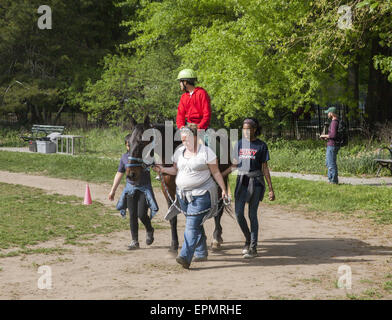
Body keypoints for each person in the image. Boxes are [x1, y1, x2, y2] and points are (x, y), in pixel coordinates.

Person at [153, 126, 228, 269]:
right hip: (183, 195)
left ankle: (185, 256)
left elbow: (216, 173)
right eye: (181, 139)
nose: (183, 141)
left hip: (202, 194)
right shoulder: (179, 152)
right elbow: (175, 170)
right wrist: (162, 169)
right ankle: (201, 252)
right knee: (194, 223)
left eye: (185, 138)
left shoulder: (207, 152)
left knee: (191, 225)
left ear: (195, 137)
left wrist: (223, 189)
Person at [222, 118, 275, 259]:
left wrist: (270, 188)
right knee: (239, 214)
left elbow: (265, 167)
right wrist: (220, 175)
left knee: (252, 214)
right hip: (242, 181)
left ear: (254, 129)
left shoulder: (261, 146)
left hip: (256, 182)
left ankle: (253, 247)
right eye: (243, 129)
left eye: (248, 129)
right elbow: (234, 164)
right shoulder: (239, 144)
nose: (245, 132)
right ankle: (247, 239)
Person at [108, 134, 157, 250]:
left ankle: (149, 229)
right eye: (128, 145)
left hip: (143, 189)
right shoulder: (124, 157)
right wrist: (113, 190)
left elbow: (154, 166)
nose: (130, 147)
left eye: (132, 144)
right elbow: (119, 173)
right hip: (130, 189)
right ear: (126, 146)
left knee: (141, 214)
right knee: (132, 215)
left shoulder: (144, 156)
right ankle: (134, 241)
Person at [320, 107, 340, 184]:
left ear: (331, 113)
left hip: (332, 145)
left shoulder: (334, 122)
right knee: (328, 162)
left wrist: (324, 136)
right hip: (331, 144)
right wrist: (326, 138)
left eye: (328, 112)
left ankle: (334, 181)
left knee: (331, 163)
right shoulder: (334, 122)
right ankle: (330, 179)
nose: (327, 114)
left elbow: (333, 135)